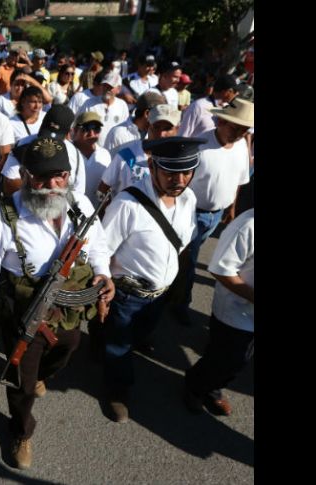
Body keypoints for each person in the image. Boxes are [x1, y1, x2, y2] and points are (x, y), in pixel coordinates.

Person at [0, 135, 114, 468]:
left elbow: (98, 246)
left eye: (59, 176)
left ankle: (40, 376)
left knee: (69, 347)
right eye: (41, 177)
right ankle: (21, 430)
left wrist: (103, 273)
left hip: (67, 311)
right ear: (24, 176)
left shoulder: (81, 204)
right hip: (23, 315)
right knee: (21, 383)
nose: (51, 185)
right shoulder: (2, 218)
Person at [100, 136, 205, 423]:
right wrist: (102, 291)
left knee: (141, 332)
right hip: (127, 294)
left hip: (161, 293)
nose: (179, 180)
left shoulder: (189, 199)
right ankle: (117, 390)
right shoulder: (127, 204)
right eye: (170, 172)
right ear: (151, 165)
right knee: (118, 346)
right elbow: (102, 251)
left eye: (186, 172)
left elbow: (183, 241)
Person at [171, 98, 253, 325]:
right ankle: (179, 304)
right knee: (189, 261)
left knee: (188, 259)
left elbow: (239, 180)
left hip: (216, 215)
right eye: (235, 128)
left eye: (244, 130)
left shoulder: (241, 146)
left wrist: (231, 207)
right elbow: (181, 184)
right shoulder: (200, 146)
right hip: (192, 213)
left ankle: (173, 293)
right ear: (221, 122)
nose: (239, 134)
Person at [184, 208, 254, 416]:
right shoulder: (247, 226)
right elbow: (221, 269)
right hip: (236, 313)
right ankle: (195, 387)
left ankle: (212, 388)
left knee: (241, 359)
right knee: (227, 359)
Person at [97, 104, 181, 200]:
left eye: (167, 128)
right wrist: (109, 208)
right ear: (148, 125)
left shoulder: (180, 158)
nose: (161, 134)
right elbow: (102, 188)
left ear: (177, 129)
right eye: (156, 127)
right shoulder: (127, 154)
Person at [77, 71, 130, 149]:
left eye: (110, 87)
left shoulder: (122, 105)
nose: (107, 89)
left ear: (118, 89)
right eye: (105, 85)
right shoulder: (89, 103)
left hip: (114, 151)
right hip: (92, 151)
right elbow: (79, 126)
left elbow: (125, 130)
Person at [72, 112, 112, 207]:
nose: (91, 133)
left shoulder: (105, 155)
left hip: (96, 213)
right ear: (75, 130)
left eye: (96, 129)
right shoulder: (67, 152)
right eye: (86, 128)